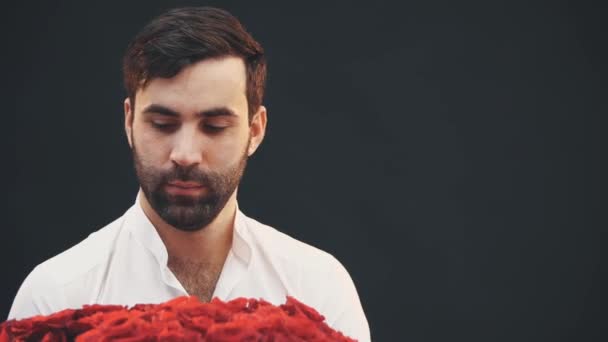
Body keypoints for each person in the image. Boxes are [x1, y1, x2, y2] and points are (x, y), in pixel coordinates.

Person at [7, 6, 370, 341]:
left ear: (255, 130)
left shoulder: (319, 288)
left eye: (214, 126)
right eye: (163, 124)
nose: (185, 154)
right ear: (129, 121)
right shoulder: (55, 296)